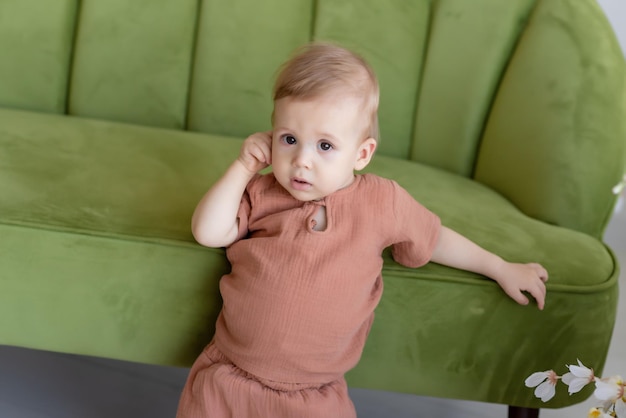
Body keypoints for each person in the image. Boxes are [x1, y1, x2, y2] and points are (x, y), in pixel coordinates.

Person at [176, 42, 548, 418]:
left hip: (315, 396)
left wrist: (500, 266)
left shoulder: (381, 201)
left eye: (325, 145)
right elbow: (209, 231)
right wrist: (243, 166)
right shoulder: (261, 191)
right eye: (289, 139)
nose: (302, 160)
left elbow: (434, 237)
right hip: (229, 380)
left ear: (362, 154)